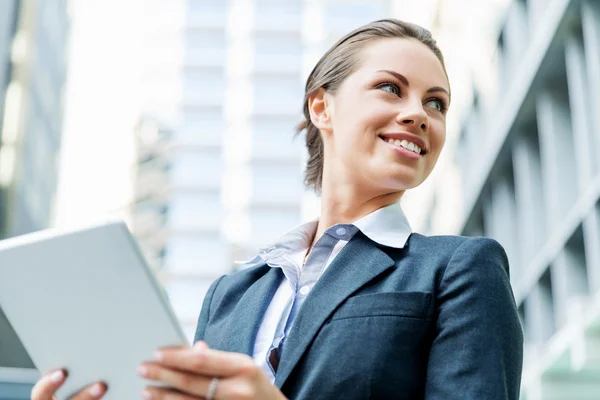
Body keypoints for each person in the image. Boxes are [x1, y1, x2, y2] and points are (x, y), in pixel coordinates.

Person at [31, 18, 523, 400]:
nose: (419, 113)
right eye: (391, 88)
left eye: (437, 103)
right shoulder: (231, 294)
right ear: (321, 107)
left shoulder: (459, 268)